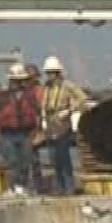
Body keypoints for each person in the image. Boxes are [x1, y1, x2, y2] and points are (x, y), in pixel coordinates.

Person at [37, 56, 88, 196]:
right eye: (48, 72)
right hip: (49, 120)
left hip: (63, 121)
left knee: (63, 156)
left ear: (58, 72)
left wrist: (69, 110)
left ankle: (69, 186)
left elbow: (83, 98)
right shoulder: (46, 87)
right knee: (53, 157)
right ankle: (59, 187)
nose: (50, 75)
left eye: (52, 72)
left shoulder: (68, 85)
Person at [0, 62, 43, 195]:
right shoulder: (2, 95)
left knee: (25, 161)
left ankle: (22, 186)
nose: (17, 83)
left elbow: (38, 114)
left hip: (26, 132)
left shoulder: (30, 96)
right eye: (15, 80)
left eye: (20, 80)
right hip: (7, 133)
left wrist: (39, 133)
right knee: (11, 161)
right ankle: (12, 187)